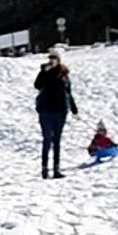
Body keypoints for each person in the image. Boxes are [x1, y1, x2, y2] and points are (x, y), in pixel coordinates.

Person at [34, 48, 79, 179]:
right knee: (47, 139)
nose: (51, 60)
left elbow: (68, 92)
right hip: (46, 110)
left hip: (61, 110)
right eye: (50, 58)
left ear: (59, 60)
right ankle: (44, 168)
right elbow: (37, 85)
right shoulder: (45, 72)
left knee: (57, 140)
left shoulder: (64, 74)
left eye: (54, 58)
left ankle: (56, 169)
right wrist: (43, 72)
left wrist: (74, 108)